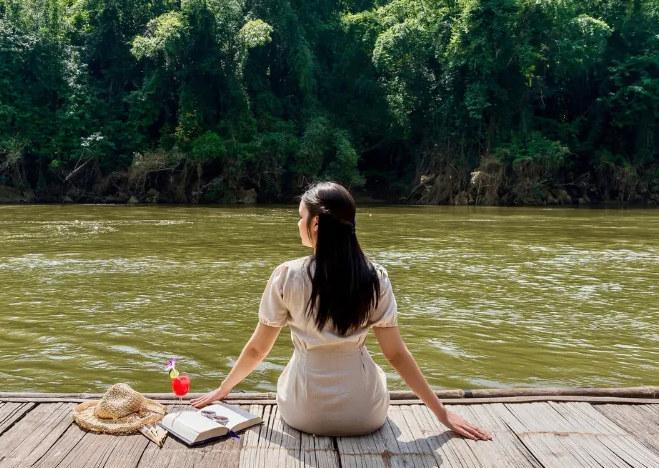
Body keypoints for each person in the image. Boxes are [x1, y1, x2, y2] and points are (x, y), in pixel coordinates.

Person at [192, 181, 492, 440]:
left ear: (315, 224)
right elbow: (396, 355)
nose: (297, 223)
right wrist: (442, 413)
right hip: (365, 414)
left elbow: (259, 349)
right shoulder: (375, 277)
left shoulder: (287, 275)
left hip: (303, 412)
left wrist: (222, 389)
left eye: (300, 217)